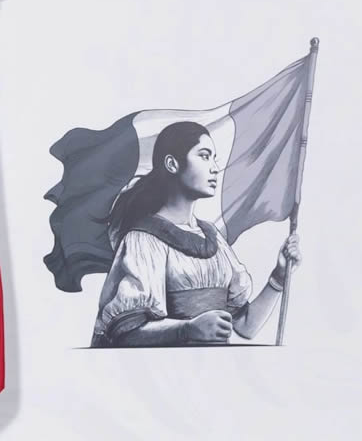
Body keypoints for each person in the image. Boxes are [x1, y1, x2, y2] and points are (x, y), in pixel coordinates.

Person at [90, 121, 301, 347]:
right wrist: (187, 329)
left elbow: (245, 326)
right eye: (204, 156)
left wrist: (279, 277)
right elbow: (126, 334)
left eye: (214, 158)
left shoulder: (214, 238)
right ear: (172, 164)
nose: (215, 168)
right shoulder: (144, 239)